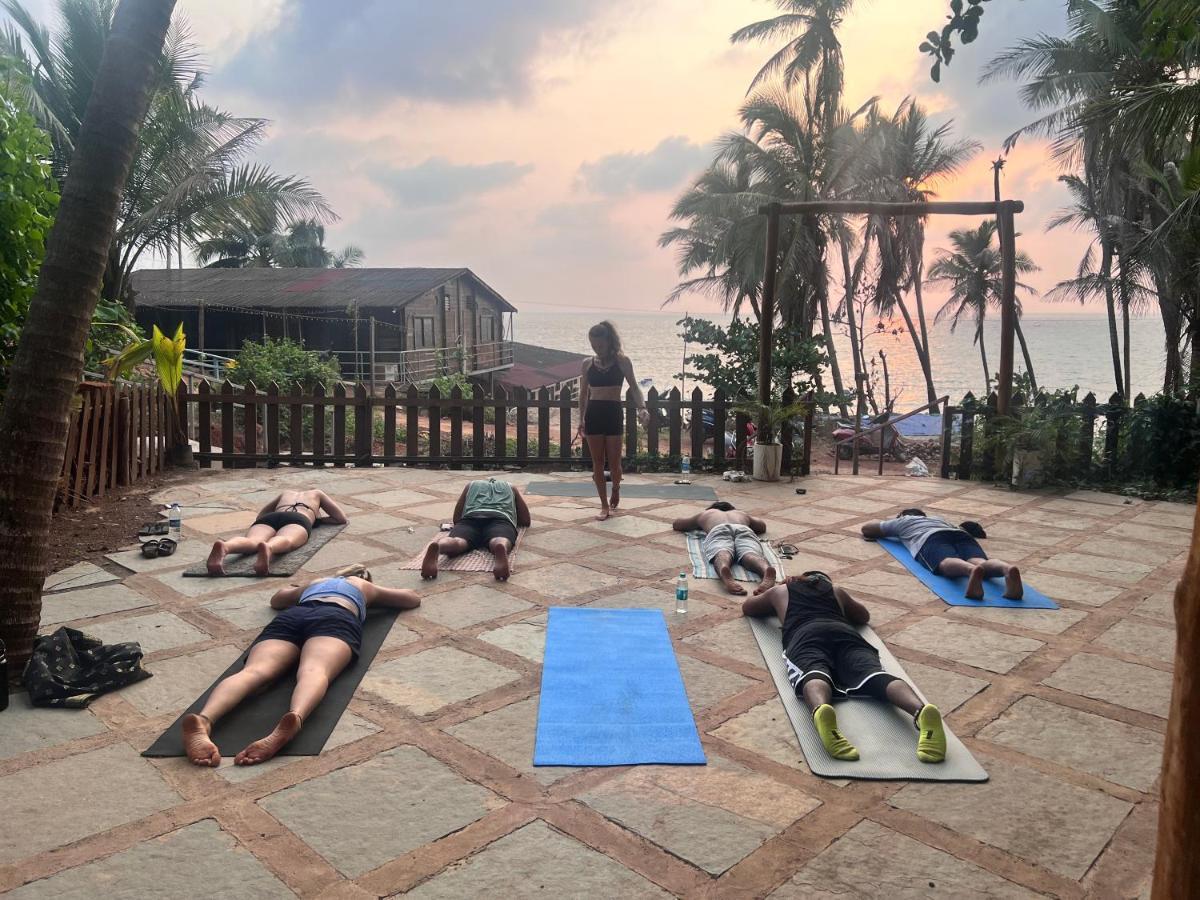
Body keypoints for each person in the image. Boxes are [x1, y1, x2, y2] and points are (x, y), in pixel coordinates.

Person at [181, 571, 420, 767]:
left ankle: (204, 720)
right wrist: (373, 595)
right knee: (314, 671)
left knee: (254, 672)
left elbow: (277, 600)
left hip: (294, 615)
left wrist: (300, 588)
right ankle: (295, 717)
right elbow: (411, 598)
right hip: (337, 616)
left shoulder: (316, 581)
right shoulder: (362, 585)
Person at [741, 570, 946, 764]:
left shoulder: (781, 591)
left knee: (814, 672)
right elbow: (863, 616)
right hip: (844, 632)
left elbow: (749, 607)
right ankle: (920, 710)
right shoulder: (836, 591)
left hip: (805, 634)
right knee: (874, 675)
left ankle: (821, 709)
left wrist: (772, 596)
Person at [861, 508, 1022, 600]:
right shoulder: (939, 518)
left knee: (945, 562)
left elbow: (867, 529)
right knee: (978, 560)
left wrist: (892, 525)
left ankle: (970, 570)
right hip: (959, 533)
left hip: (931, 538)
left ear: (903, 515)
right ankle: (1006, 569)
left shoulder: (903, 521)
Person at [575, 321, 649, 520]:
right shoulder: (587, 364)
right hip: (594, 414)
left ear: (609, 341)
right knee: (597, 462)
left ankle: (616, 488)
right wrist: (581, 419)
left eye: (600, 345)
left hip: (614, 413)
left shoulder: (622, 361)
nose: (597, 349)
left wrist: (642, 408)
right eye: (593, 345)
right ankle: (603, 505)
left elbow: (634, 387)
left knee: (615, 463)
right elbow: (583, 395)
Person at [207, 489, 348, 576]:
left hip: (271, 517)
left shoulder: (286, 493)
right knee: (287, 539)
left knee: (253, 541)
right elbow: (340, 518)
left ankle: (226, 546)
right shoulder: (317, 493)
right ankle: (269, 547)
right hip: (299, 518)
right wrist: (317, 521)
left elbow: (261, 515)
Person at [421, 477, 532, 581]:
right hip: (500, 519)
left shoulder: (471, 485)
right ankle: (500, 546)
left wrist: (460, 523)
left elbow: (457, 517)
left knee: (458, 541)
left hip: (471, 519)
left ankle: (440, 546)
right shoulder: (510, 487)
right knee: (499, 538)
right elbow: (525, 520)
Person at [672, 501, 776, 596]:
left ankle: (724, 568)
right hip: (743, 529)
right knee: (750, 553)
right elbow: (762, 526)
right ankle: (765, 569)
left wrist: (700, 523)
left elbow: (677, 524)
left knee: (721, 552)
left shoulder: (707, 514)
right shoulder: (740, 514)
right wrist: (746, 519)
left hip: (718, 529)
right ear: (732, 509)